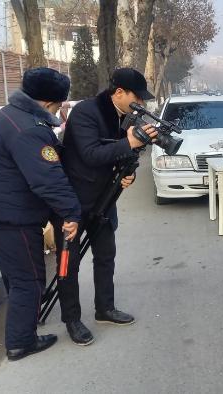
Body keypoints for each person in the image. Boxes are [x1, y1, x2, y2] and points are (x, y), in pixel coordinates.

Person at [0, 68, 81, 361]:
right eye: (58, 105)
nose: (58, 110)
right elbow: (48, 179)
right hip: (9, 219)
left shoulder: (9, 114)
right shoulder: (30, 130)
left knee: (16, 275)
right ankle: (21, 341)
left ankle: (24, 323)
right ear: (47, 103)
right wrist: (71, 212)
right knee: (29, 280)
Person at [54, 68, 157, 346]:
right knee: (69, 264)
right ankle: (72, 320)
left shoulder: (124, 116)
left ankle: (105, 308)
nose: (142, 105)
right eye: (138, 98)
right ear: (119, 92)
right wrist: (130, 141)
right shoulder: (87, 112)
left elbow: (123, 155)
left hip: (104, 200)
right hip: (74, 201)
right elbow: (90, 154)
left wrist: (129, 173)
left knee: (105, 255)